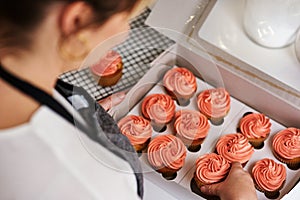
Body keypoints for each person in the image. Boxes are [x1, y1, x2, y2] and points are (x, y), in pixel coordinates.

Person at [0, 0, 257, 199]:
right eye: (127, 19)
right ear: (78, 19)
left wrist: (78, 117)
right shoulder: (90, 184)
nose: (125, 33)